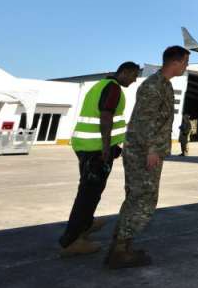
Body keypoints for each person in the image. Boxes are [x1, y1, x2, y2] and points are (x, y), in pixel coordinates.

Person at [106, 46, 190, 269]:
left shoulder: (164, 85)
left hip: (145, 150)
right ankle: (120, 251)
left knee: (137, 198)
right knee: (143, 200)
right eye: (185, 62)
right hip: (143, 152)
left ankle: (122, 246)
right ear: (176, 62)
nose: (186, 67)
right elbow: (146, 120)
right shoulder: (153, 86)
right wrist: (152, 150)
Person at [59, 62, 140, 257]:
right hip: (96, 150)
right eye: (133, 75)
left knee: (90, 190)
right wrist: (106, 147)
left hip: (87, 147)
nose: (134, 79)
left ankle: (86, 224)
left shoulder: (100, 86)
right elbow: (106, 117)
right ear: (124, 72)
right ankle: (71, 241)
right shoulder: (113, 88)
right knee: (88, 194)